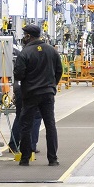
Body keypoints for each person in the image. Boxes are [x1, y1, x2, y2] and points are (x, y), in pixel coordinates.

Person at [14, 25, 64, 166]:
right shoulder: (51, 51)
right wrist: (52, 85)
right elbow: (59, 70)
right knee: (50, 125)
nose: (23, 37)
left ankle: (25, 159)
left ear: (28, 36)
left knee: (26, 126)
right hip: (48, 93)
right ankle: (53, 159)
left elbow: (19, 74)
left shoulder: (25, 52)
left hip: (30, 94)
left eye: (24, 34)